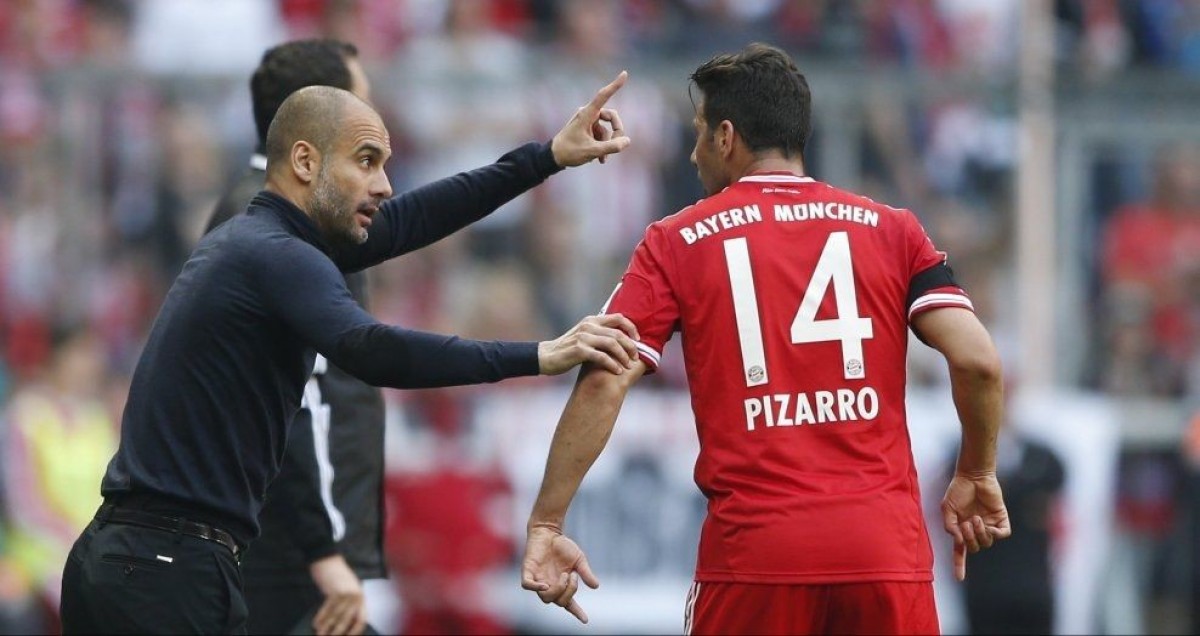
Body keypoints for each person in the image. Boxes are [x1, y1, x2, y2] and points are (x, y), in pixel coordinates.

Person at [59, 74, 638, 635]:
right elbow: (371, 350)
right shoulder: (278, 254)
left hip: (140, 558)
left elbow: (413, 219)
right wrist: (538, 355)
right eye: (366, 161)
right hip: (165, 566)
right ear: (305, 162)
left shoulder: (260, 243)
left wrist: (546, 158)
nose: (384, 185)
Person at [520, 43, 1011, 635]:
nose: (694, 154)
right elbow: (978, 361)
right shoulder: (893, 229)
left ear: (726, 137)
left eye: (699, 134)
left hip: (755, 557)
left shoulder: (676, 241)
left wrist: (547, 523)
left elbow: (606, 375)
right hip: (883, 553)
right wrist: (976, 472)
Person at [204, 39, 383, 636]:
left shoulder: (292, 213)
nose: (375, 119)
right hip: (288, 547)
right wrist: (322, 547)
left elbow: (419, 219)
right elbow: (291, 400)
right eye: (361, 104)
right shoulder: (274, 229)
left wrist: (539, 161)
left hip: (298, 538)